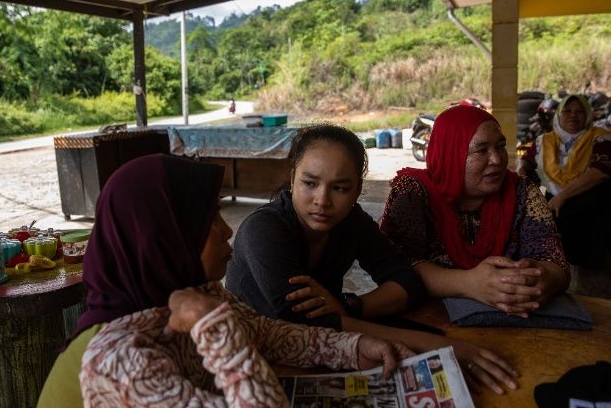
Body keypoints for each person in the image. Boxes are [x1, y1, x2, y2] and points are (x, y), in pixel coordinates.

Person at [38, 154, 413, 408]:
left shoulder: (190, 293)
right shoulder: (119, 359)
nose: (227, 230)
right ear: (163, 240)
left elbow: (265, 334)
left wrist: (353, 348)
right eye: (209, 222)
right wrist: (211, 325)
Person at [227, 123, 519, 395]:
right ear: (292, 179)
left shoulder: (350, 222)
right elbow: (303, 324)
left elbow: (406, 281)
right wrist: (442, 346)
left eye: (340, 188)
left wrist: (350, 305)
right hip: (256, 358)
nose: (322, 200)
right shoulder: (263, 230)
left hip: (329, 347)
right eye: (310, 183)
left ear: (357, 190)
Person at [381, 105, 570, 318]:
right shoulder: (413, 191)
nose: (497, 160)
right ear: (450, 153)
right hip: (429, 320)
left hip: (513, 318)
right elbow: (395, 265)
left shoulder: (522, 192)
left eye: (500, 147)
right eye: (482, 150)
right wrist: (469, 283)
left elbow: (556, 261)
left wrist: (541, 280)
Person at [517, 94, 611, 268]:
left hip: (586, 200)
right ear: (558, 115)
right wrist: (522, 173)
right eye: (567, 111)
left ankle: (579, 270)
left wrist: (562, 197)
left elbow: (600, 172)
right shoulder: (544, 141)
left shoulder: (600, 137)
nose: (573, 115)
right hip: (554, 199)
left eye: (579, 111)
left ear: (588, 115)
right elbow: (526, 161)